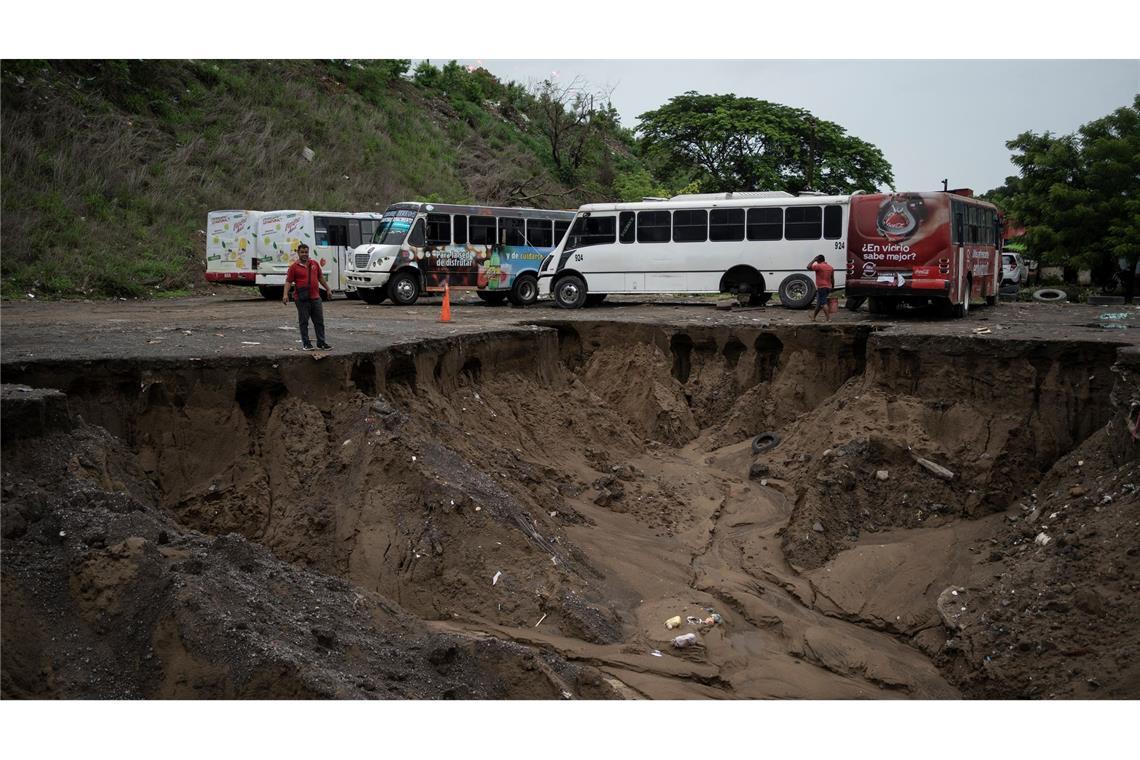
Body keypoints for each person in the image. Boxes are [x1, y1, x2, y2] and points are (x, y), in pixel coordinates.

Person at [283, 243, 332, 351]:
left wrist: (328, 289)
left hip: (315, 297)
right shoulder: (294, 267)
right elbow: (288, 281)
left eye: (306, 252)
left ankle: (321, 342)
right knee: (304, 322)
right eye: (302, 252)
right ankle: (306, 343)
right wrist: (285, 294)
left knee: (319, 321)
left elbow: (320, 277)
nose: (304, 254)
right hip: (301, 299)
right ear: (298, 253)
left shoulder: (314, 264)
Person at [807, 254, 834, 323]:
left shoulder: (818, 266)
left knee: (823, 303)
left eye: (817, 259)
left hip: (822, 287)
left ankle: (828, 319)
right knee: (819, 303)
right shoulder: (830, 267)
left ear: (818, 260)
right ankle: (813, 317)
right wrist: (832, 287)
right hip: (828, 287)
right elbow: (832, 278)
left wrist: (813, 260)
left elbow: (808, 267)